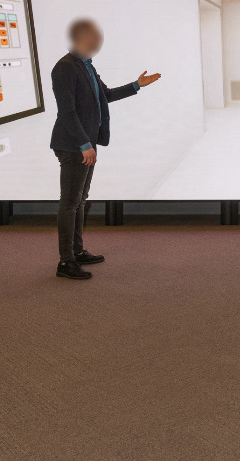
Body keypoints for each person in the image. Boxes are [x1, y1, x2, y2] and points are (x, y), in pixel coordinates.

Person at [50, 18, 161, 280]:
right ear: (79, 37)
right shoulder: (65, 68)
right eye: (93, 35)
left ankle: (77, 252)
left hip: (86, 143)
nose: (98, 39)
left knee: (80, 201)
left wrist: (137, 85)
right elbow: (67, 112)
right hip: (74, 145)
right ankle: (65, 262)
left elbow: (106, 96)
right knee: (70, 203)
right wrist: (84, 144)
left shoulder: (86, 65)